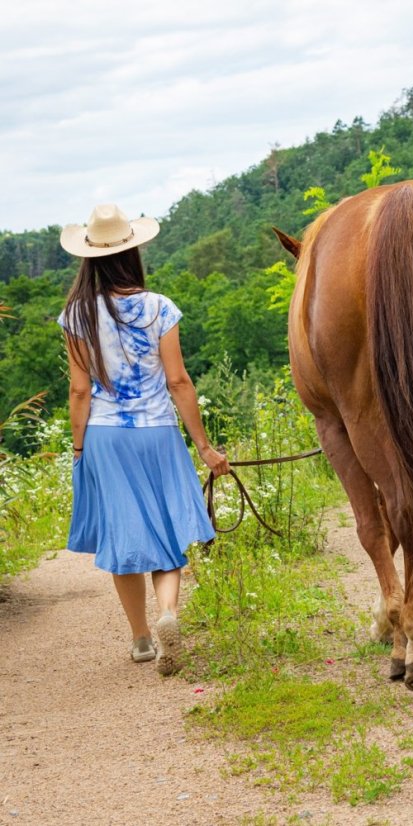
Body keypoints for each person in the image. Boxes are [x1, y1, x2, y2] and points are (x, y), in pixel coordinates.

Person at [57, 203, 230, 675]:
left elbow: (78, 390)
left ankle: (140, 639)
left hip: (106, 437)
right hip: (157, 432)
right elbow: (179, 382)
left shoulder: (76, 315)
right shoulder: (160, 308)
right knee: (166, 529)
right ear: (133, 253)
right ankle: (169, 613)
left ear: (89, 257)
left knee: (123, 535)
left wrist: (78, 449)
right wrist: (206, 448)